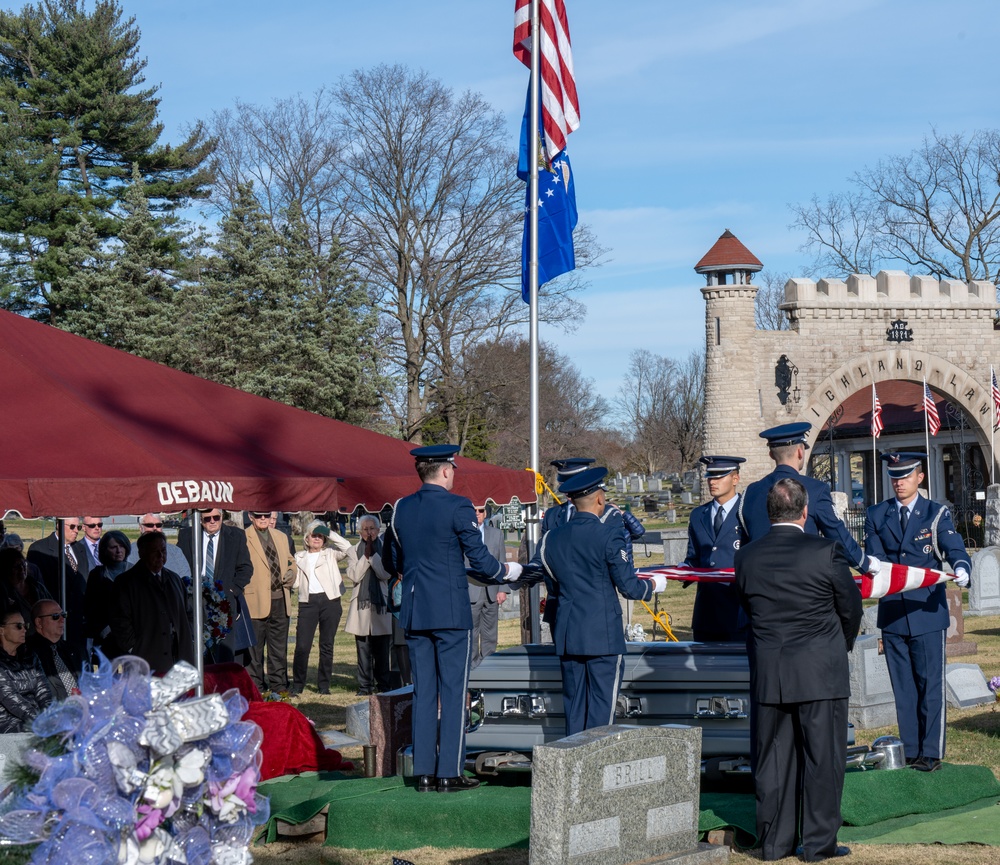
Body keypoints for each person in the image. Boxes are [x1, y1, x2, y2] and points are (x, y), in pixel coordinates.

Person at [734, 478, 861, 862]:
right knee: (823, 759)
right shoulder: (826, 551)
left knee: (773, 761)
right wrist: (839, 645)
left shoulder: (746, 557)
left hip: (771, 670)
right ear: (805, 513)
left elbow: (748, 609)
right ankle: (819, 844)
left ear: (769, 513)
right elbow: (851, 608)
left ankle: (775, 842)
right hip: (820, 669)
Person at [391, 444, 522, 793]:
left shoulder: (401, 508)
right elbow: (479, 559)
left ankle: (423, 771)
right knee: (453, 691)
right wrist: (505, 571)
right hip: (450, 608)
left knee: (423, 693)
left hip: (417, 608)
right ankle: (448, 771)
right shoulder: (458, 505)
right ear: (446, 470)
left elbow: (396, 559)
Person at [523, 467, 665, 736]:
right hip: (602, 634)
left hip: (568, 631)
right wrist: (653, 586)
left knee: (574, 706)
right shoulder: (608, 535)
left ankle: (573, 764)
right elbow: (629, 587)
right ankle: (595, 769)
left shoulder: (550, 538)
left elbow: (552, 585)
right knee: (602, 707)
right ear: (600, 499)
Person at [864, 452, 971, 772]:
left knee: (930, 685)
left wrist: (962, 567)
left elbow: (953, 547)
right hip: (894, 612)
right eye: (894, 477)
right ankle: (910, 751)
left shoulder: (935, 513)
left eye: (906, 476)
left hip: (926, 609)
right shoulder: (876, 514)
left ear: (920, 478)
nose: (899, 482)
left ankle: (931, 752)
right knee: (904, 687)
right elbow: (877, 556)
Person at [739, 423, 880, 575]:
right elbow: (836, 534)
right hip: (801, 578)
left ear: (771, 455)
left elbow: (745, 540)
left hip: (759, 578)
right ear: (800, 452)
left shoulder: (750, 492)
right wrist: (865, 564)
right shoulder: (815, 489)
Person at [680, 455, 747, 641]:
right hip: (706, 613)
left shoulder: (746, 512)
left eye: (719, 476)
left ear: (735, 479)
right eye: (710, 476)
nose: (712, 482)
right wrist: (684, 570)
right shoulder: (698, 515)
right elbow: (694, 556)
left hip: (738, 609)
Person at [110, 532, 194, 675]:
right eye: (155, 552)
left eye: (163, 551)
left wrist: (188, 638)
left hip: (178, 659)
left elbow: (187, 612)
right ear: (142, 553)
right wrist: (134, 647)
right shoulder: (126, 582)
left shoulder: (174, 579)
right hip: (145, 661)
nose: (160, 556)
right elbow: (119, 621)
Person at [178, 509, 253, 661]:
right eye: (207, 519)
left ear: (222, 517)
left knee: (223, 653)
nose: (212, 521)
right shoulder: (187, 535)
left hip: (224, 601)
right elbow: (181, 565)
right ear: (200, 520)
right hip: (194, 600)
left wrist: (234, 590)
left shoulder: (236, 536)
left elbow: (245, 568)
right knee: (196, 651)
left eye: (216, 517)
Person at [291, 519, 351, 696]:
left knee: (327, 644)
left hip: (329, 601)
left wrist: (329, 532)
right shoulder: (299, 557)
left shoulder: (331, 553)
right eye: (313, 535)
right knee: (302, 645)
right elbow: (294, 582)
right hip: (307, 603)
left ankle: (324, 685)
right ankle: (298, 684)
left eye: (320, 536)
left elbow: (347, 547)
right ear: (306, 539)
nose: (316, 539)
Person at [244, 510, 296, 692]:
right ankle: (256, 688)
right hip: (255, 602)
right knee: (254, 651)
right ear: (251, 516)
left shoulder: (281, 536)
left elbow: (291, 561)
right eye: (259, 515)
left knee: (278, 650)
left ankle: (279, 687)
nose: (263, 518)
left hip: (280, 601)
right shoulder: (244, 537)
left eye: (266, 515)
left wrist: (292, 573)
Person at [26, 518, 90, 657]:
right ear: (59, 525)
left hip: (78, 621)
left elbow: (83, 581)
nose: (75, 531)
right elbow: (35, 586)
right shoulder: (39, 549)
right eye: (72, 527)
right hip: (53, 618)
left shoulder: (80, 549)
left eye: (78, 527)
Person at [345, 515, 393, 695]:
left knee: (382, 649)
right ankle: (365, 686)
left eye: (372, 528)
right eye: (365, 529)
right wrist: (365, 557)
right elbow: (355, 576)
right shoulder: (353, 550)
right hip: (361, 606)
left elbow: (385, 574)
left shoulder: (386, 548)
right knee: (363, 648)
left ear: (378, 530)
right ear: (359, 532)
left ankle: (383, 685)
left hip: (381, 603)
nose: (369, 532)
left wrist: (373, 556)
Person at [468, 504, 508, 667]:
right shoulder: (464, 535)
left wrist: (503, 589)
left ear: (486, 513)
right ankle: (472, 668)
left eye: (481, 510)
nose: (477, 514)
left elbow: (503, 561)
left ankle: (489, 666)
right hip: (471, 590)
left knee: (490, 633)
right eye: (474, 511)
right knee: (471, 633)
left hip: (492, 590)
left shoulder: (496, 534)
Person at [0, 608, 52, 732]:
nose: (24, 629)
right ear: (1, 630)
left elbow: (43, 692)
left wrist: (50, 716)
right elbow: (11, 699)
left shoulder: (30, 656)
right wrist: (42, 722)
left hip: (35, 722)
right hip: (7, 726)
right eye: (18, 626)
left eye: (25, 625)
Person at [83, 530, 132, 660]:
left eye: (121, 546)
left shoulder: (134, 572)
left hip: (130, 637)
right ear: (105, 550)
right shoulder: (96, 575)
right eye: (113, 547)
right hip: (104, 638)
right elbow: (90, 607)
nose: (119, 551)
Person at [29, 599, 82, 701]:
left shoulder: (75, 649)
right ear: (39, 622)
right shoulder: (27, 653)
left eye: (63, 615)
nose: (62, 620)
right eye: (55, 616)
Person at [0, 547, 52, 635]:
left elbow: (51, 607)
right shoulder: (3, 592)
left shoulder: (37, 587)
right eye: (16, 566)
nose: (22, 569)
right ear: (6, 568)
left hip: (42, 638)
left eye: (24, 564)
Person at [129, 513, 192, 578]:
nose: (155, 528)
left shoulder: (175, 551)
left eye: (158, 525)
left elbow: (185, 577)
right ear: (140, 527)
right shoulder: (131, 551)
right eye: (149, 525)